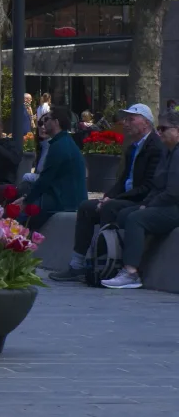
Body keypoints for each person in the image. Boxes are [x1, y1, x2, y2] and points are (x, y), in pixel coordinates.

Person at [56, 103, 158, 282]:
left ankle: (105, 266)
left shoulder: (155, 147)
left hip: (141, 199)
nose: (126, 123)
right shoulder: (133, 147)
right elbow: (123, 181)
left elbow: (148, 186)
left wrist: (113, 199)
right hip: (126, 196)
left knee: (110, 208)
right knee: (87, 207)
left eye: (131, 119)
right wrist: (108, 195)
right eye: (125, 119)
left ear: (146, 123)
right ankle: (77, 264)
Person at [99, 115, 179, 290]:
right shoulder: (168, 151)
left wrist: (149, 206)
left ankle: (131, 272)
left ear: (177, 131)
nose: (159, 132)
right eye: (158, 128)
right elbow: (157, 187)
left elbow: (173, 192)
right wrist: (147, 203)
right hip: (166, 203)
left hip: (174, 207)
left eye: (164, 129)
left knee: (136, 218)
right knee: (125, 214)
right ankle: (113, 263)